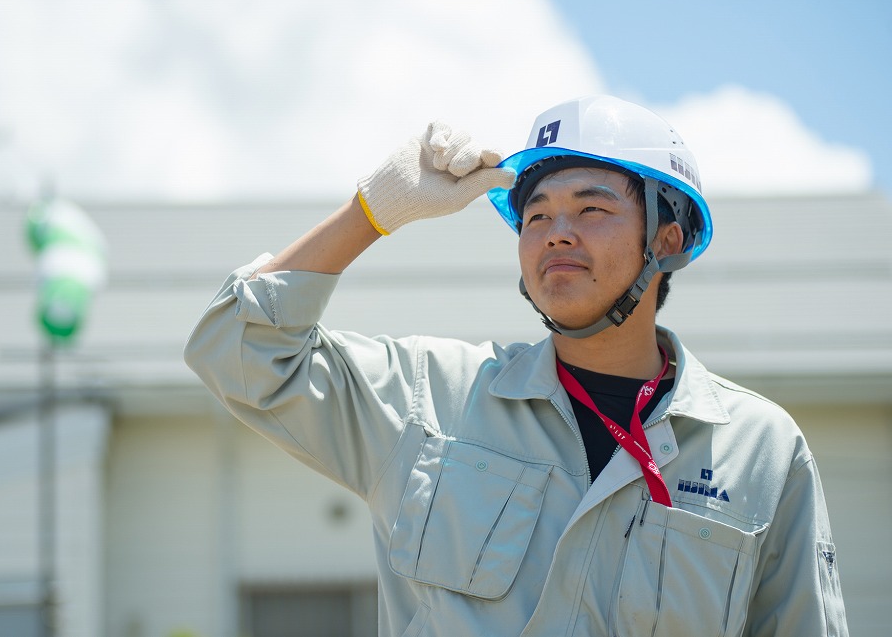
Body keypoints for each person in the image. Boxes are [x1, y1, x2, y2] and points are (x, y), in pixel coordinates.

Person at [184, 95, 848, 636]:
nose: (557, 230)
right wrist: (373, 211)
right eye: (536, 214)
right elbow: (237, 349)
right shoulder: (431, 397)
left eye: (591, 208)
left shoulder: (762, 449)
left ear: (666, 238)